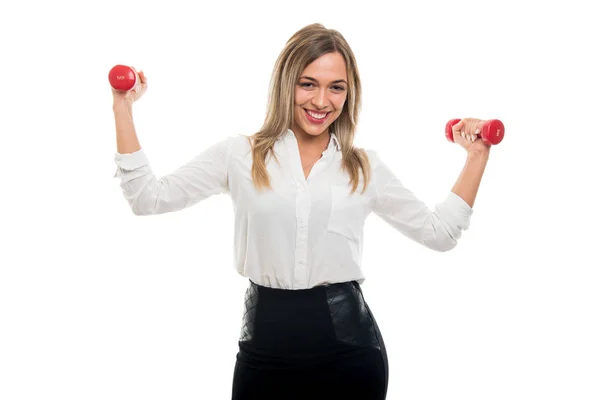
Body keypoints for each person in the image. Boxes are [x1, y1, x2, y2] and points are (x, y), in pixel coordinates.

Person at [111, 23, 490, 400]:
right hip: (264, 349)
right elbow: (148, 198)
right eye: (308, 84)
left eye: (336, 87)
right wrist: (122, 106)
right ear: (285, 83)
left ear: (349, 93)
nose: (322, 101)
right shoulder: (239, 155)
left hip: (351, 352)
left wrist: (477, 156)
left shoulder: (363, 167)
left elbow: (440, 234)